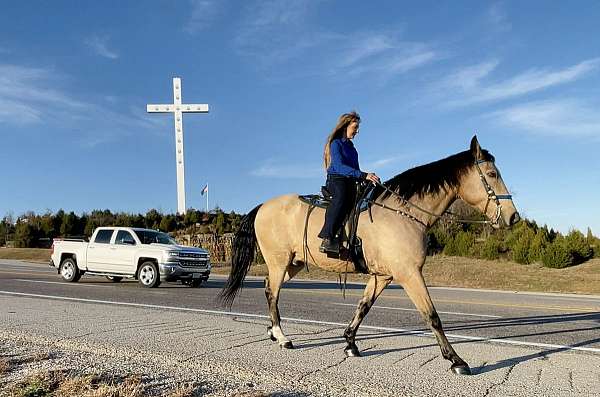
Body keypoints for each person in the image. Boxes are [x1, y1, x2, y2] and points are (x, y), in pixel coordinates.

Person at [318, 111, 380, 254]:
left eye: (357, 128)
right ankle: (327, 238)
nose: (357, 131)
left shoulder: (352, 148)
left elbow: (355, 169)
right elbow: (339, 167)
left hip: (351, 180)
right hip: (337, 179)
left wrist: (367, 179)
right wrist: (363, 175)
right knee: (341, 199)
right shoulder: (336, 143)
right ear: (345, 126)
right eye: (355, 127)